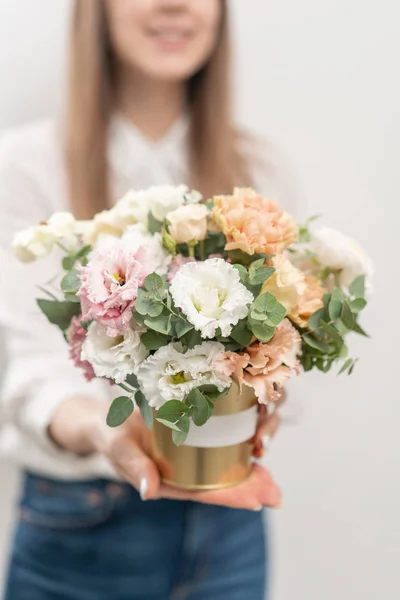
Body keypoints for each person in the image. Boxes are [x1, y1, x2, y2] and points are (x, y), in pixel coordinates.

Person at [0, 1, 292, 598]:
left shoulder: (257, 173)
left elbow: (291, 331)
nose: (175, 5)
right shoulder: (24, 167)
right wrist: (108, 433)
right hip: (78, 529)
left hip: (230, 522)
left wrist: (266, 385)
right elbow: (29, 367)